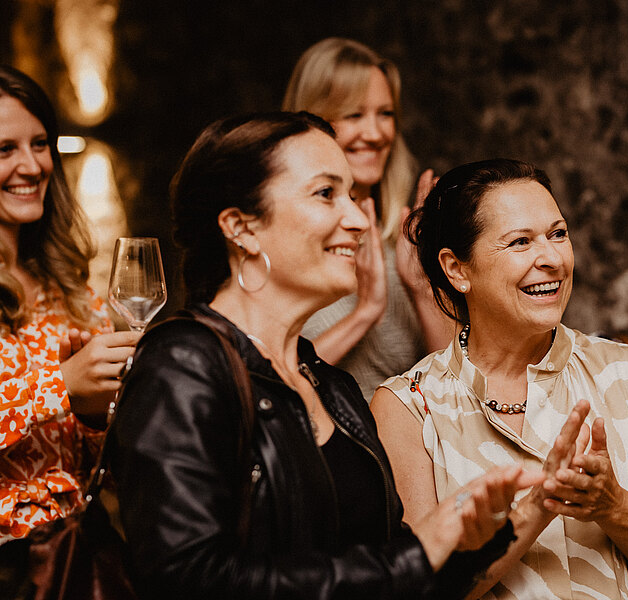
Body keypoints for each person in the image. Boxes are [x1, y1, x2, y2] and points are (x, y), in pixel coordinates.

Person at [105, 112, 571, 600]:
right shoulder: (182, 366)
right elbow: (188, 580)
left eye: (351, 194)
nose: (357, 220)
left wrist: (465, 544)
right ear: (241, 227)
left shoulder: (332, 387)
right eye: (326, 193)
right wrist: (420, 552)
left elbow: (388, 573)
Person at [371, 159, 628, 600]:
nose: (552, 259)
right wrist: (539, 505)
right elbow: (417, 591)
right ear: (457, 269)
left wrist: (614, 505)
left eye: (558, 234)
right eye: (520, 242)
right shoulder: (408, 406)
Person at [0, 65, 140, 594]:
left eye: (40, 144)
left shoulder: (68, 287)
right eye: (5, 149)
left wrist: (94, 412)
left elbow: (106, 468)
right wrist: (61, 386)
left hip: (76, 556)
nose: (32, 165)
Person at [282, 37, 450, 398]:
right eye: (353, 115)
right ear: (311, 123)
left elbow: (458, 385)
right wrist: (364, 313)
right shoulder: (277, 247)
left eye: (385, 114)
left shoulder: (404, 243)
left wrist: (422, 288)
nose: (374, 134)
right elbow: (266, 385)